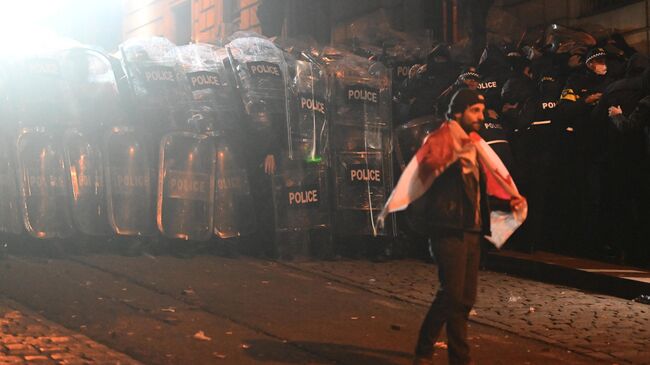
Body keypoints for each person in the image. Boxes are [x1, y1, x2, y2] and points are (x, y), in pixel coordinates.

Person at [379, 89, 526, 365]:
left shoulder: (474, 146)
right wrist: (427, 225)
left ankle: (460, 358)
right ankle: (423, 350)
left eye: (482, 111)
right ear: (458, 112)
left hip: (470, 229)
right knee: (452, 295)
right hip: (447, 228)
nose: (481, 117)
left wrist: (508, 203)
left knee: (464, 299)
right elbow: (421, 181)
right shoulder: (443, 141)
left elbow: (478, 191)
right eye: (475, 111)